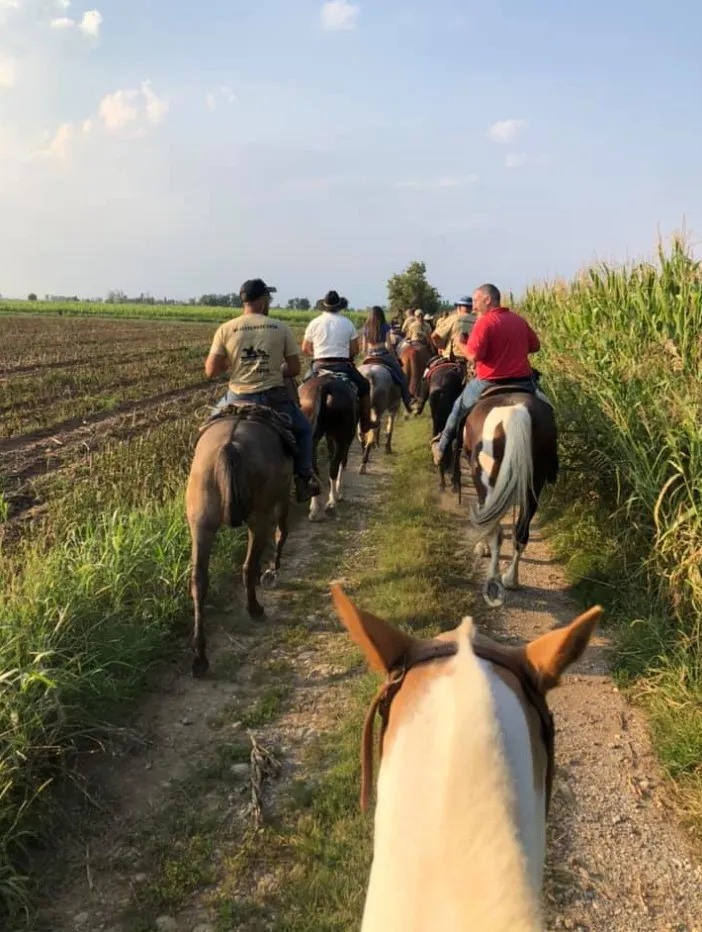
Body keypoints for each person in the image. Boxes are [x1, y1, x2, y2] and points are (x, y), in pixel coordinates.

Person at [205, 278, 320, 503]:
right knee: (305, 430)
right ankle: (303, 478)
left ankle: (204, 478)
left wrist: (234, 365)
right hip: (273, 397)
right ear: (262, 300)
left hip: (237, 396)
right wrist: (276, 369)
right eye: (268, 297)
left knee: (205, 430)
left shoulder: (226, 328)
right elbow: (295, 369)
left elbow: (211, 371)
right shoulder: (280, 328)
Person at [431, 284, 542, 465]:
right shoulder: (519, 320)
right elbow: (535, 346)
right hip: (523, 383)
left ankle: (441, 448)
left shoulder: (485, 322)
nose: (473, 306)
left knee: (458, 408)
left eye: (475, 301)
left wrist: (460, 345)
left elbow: (473, 356)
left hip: (489, 382)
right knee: (546, 407)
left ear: (487, 300)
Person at [301, 290, 376, 433]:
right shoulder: (347, 323)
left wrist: (316, 353)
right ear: (339, 306)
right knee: (364, 386)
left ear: (324, 306)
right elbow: (354, 350)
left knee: (302, 388)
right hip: (342, 365)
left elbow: (305, 348)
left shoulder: (314, 323)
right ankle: (366, 421)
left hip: (319, 364)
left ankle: (298, 422)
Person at [361, 306, 414, 414]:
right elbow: (389, 347)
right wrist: (395, 358)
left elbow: (363, 349)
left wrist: (366, 357)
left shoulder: (365, 328)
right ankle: (408, 402)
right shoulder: (385, 326)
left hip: (370, 356)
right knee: (402, 377)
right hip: (383, 355)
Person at [431, 296, 477, 361]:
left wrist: (442, 346)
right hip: (472, 359)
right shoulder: (478, 320)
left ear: (459, 307)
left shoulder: (453, 318)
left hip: (452, 357)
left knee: (428, 370)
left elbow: (434, 336)